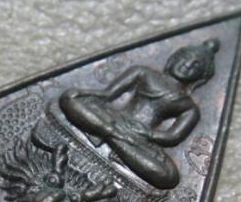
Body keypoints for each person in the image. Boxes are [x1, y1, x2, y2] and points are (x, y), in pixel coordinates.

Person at [59, 38, 219, 190]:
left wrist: (148, 133)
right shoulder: (143, 72)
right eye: (186, 58)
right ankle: (114, 137)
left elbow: (172, 137)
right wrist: (84, 92)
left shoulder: (189, 107)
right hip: (113, 119)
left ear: (200, 77)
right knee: (69, 98)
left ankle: (110, 137)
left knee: (169, 176)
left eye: (196, 65)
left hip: (139, 137)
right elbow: (107, 94)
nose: (188, 65)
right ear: (174, 58)